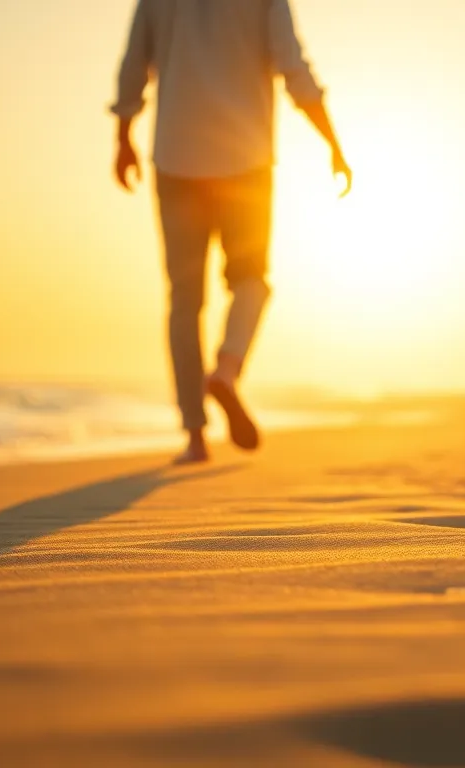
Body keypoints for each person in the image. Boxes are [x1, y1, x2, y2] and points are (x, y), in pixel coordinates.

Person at [111, 0, 352, 464]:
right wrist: (332, 140)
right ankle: (226, 368)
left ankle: (195, 435)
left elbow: (133, 64)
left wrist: (123, 135)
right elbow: (292, 64)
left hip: (176, 159)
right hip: (245, 160)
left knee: (184, 301)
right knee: (251, 280)